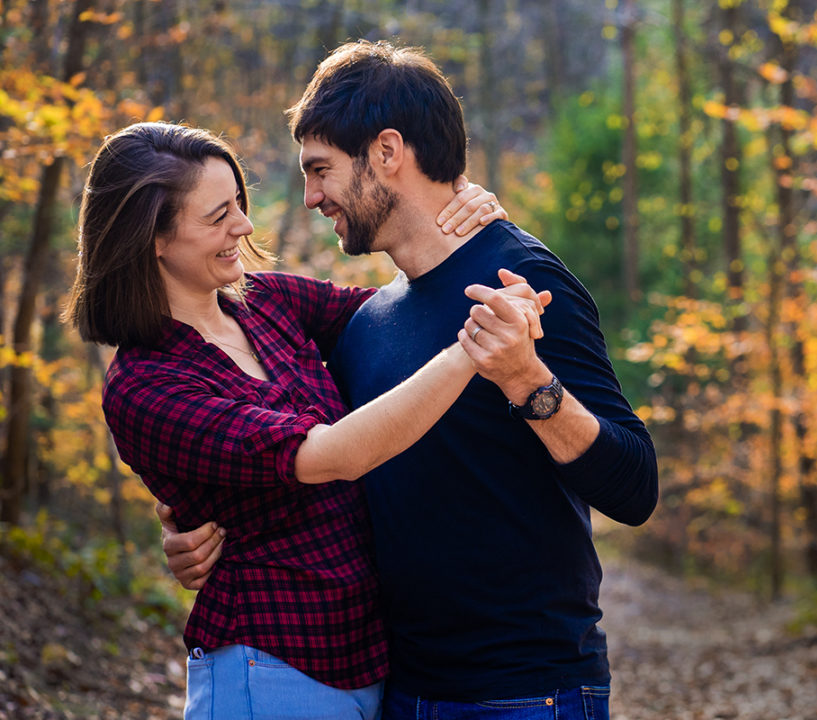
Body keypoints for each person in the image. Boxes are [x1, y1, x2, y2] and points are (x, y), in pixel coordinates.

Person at [164, 40, 659, 720]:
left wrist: (529, 383)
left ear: (388, 152)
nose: (309, 197)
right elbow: (292, 448)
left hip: (526, 693)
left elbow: (634, 487)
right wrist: (194, 521)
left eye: (320, 170)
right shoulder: (367, 323)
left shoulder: (522, 283)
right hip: (398, 691)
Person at [66, 121, 548, 720]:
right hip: (268, 667)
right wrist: (472, 349)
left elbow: (398, 313)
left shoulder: (265, 301)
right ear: (152, 239)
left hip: (368, 659)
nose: (243, 227)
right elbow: (334, 455)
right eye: (218, 217)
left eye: (239, 205)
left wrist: (459, 224)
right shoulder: (146, 387)